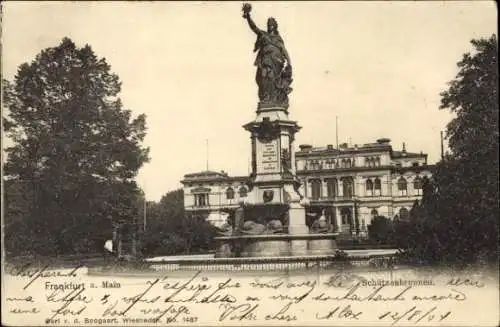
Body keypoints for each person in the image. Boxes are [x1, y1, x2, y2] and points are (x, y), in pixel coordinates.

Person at [243, 4, 292, 105]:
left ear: (275, 25)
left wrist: (289, 62)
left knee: (273, 79)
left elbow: (284, 50)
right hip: (266, 60)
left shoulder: (278, 39)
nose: (270, 25)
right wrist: (248, 16)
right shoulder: (263, 34)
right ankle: (266, 97)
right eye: (268, 24)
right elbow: (254, 28)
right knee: (264, 77)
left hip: (277, 62)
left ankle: (272, 98)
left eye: (272, 24)